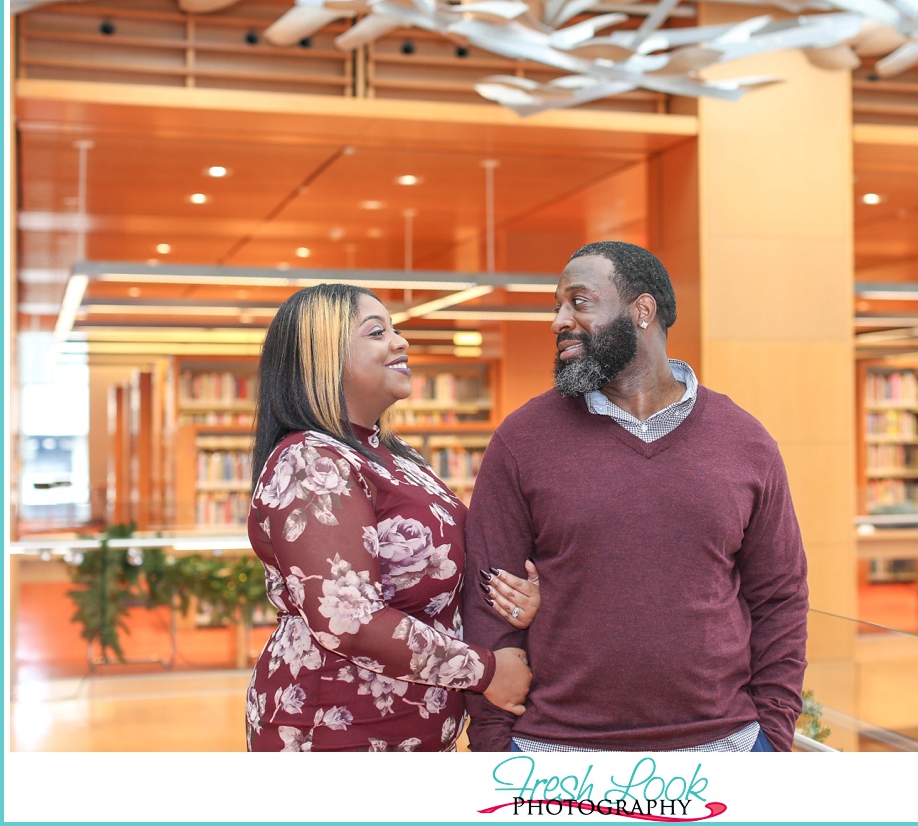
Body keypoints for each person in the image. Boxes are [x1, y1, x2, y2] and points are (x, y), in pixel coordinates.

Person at [463, 241, 808, 753]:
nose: (559, 321)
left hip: (726, 748)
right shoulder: (522, 439)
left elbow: (780, 596)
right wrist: (495, 748)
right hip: (553, 752)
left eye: (579, 302)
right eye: (557, 306)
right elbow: (487, 599)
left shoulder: (745, 441)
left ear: (641, 311)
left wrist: (773, 738)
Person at [244, 283, 540, 751]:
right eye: (377, 332)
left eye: (396, 329)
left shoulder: (397, 458)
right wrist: (485, 671)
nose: (400, 342)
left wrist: (508, 596)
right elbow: (348, 618)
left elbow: (442, 574)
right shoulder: (310, 460)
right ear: (323, 357)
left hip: (405, 735)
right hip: (335, 732)